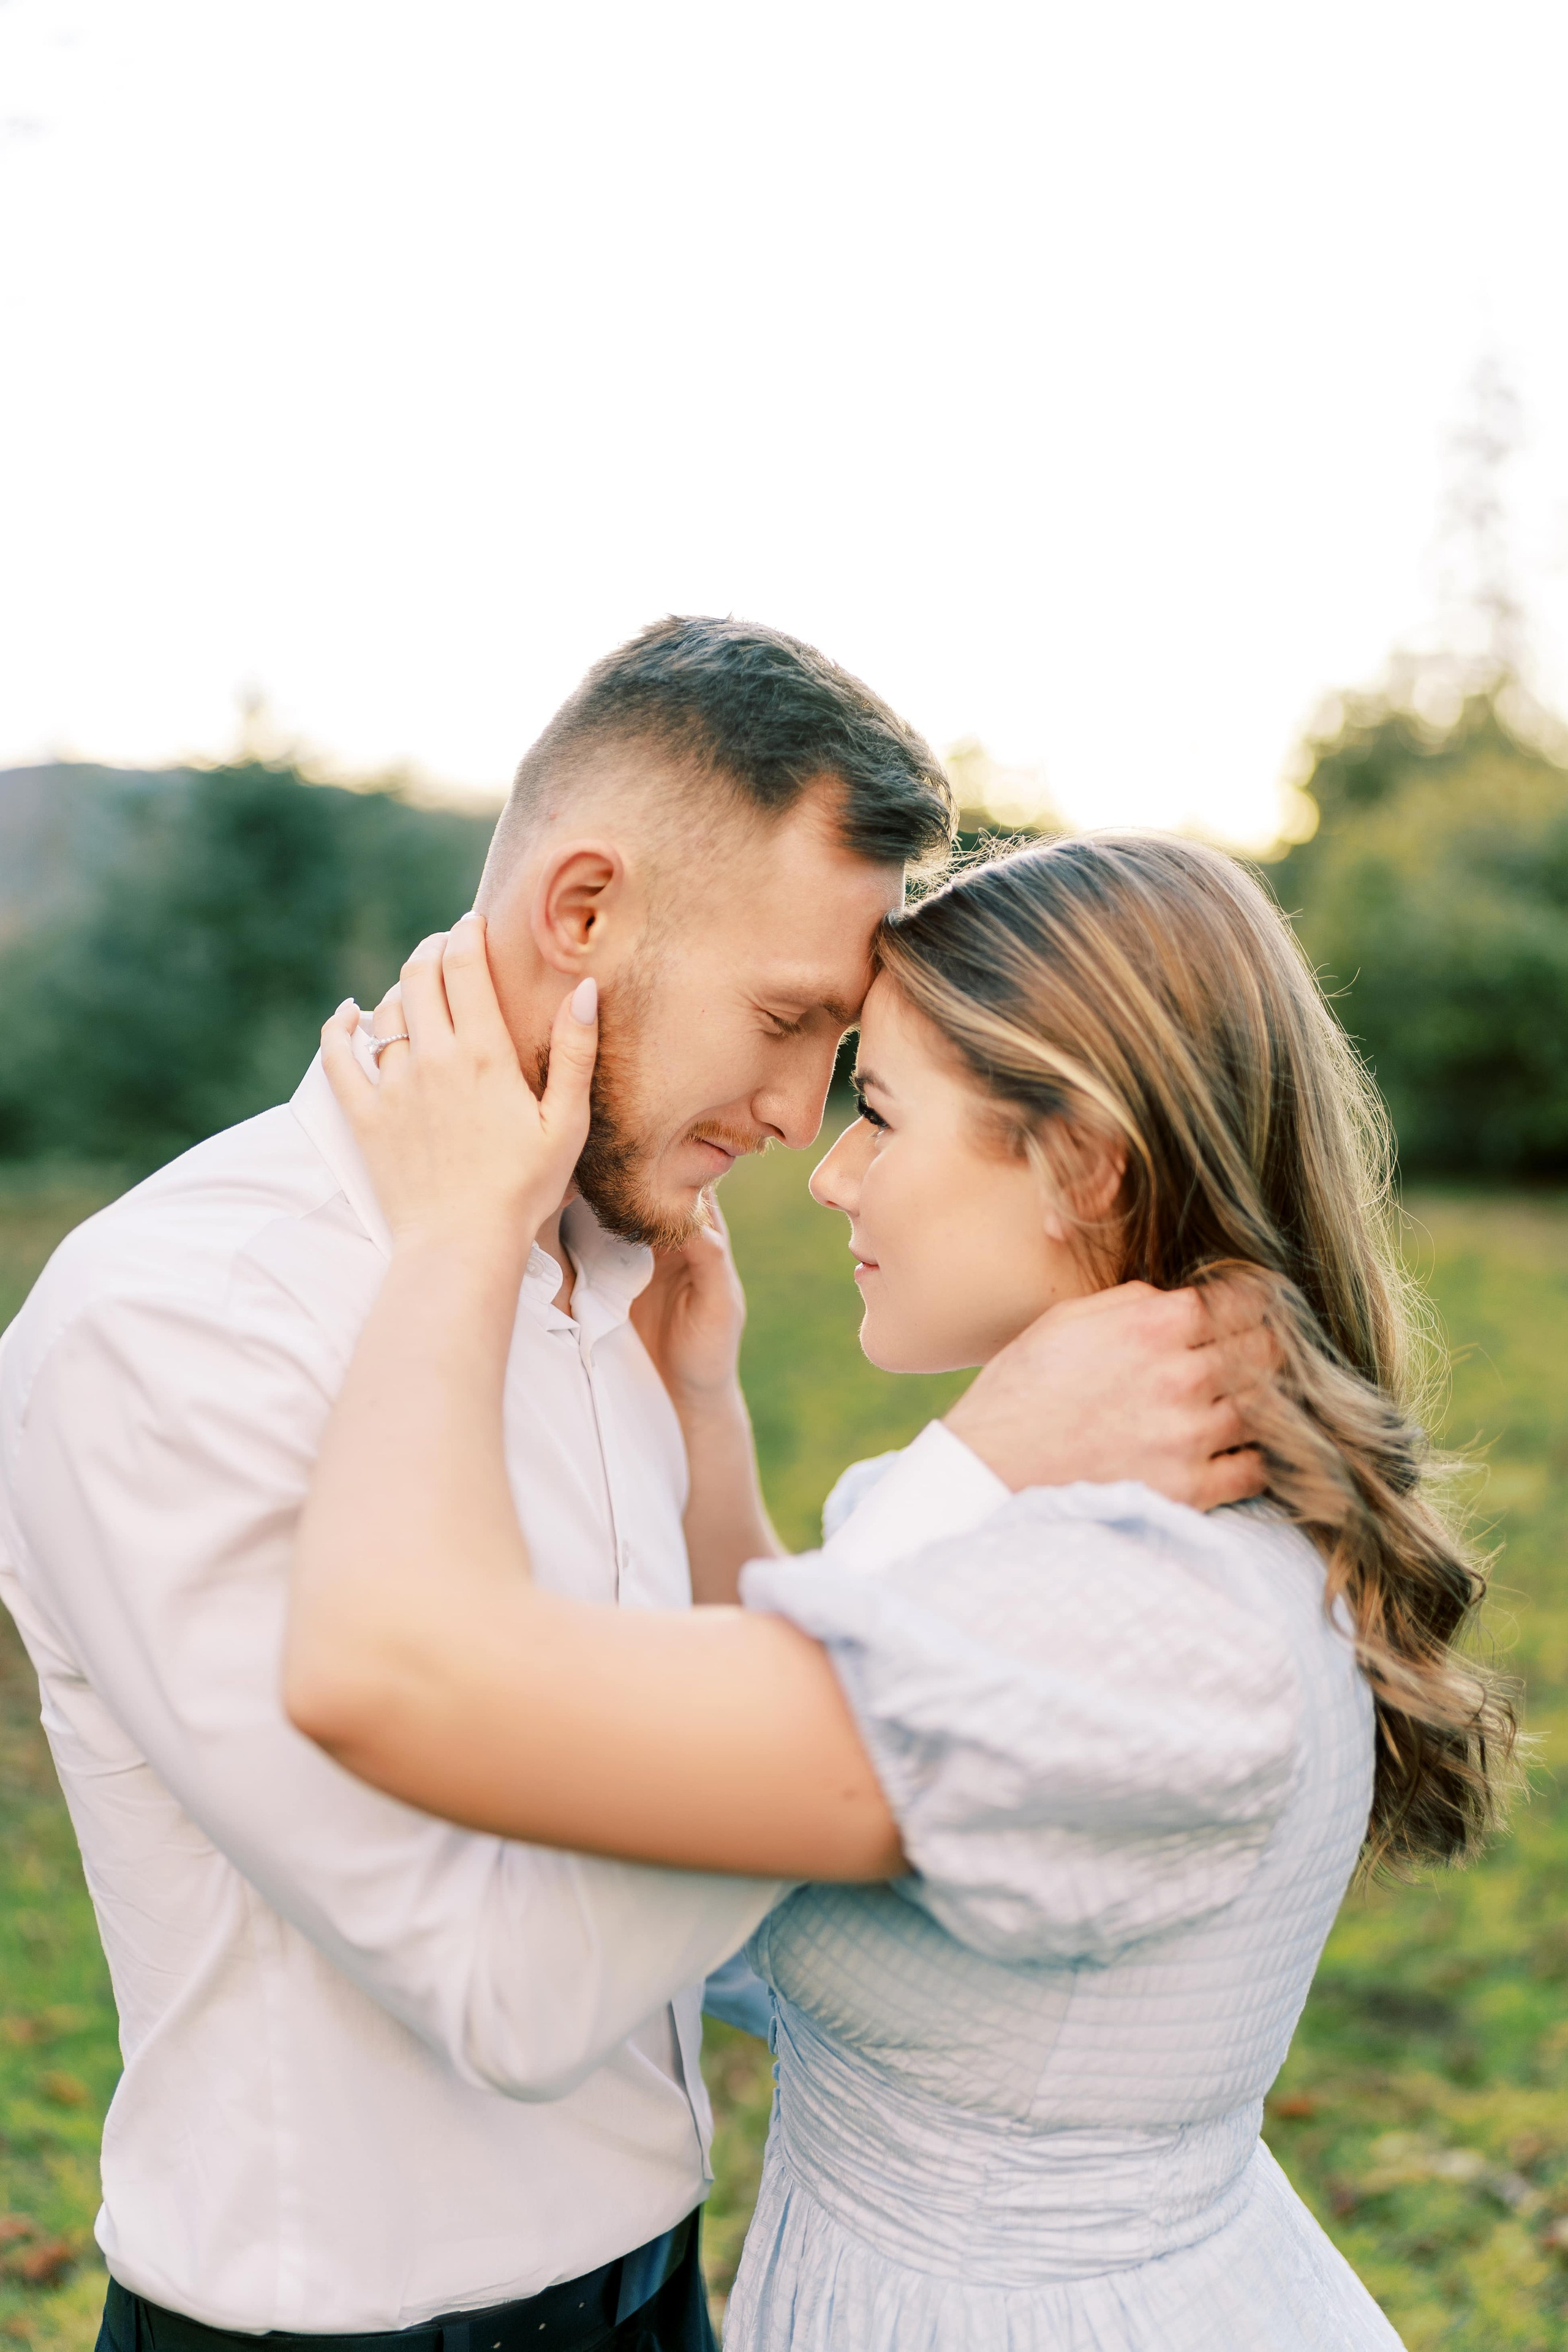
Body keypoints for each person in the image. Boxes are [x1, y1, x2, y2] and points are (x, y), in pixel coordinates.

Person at [0, 620, 1267, 2352]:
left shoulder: (623, 1270)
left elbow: (680, 1774)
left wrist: (710, 1427)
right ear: (582, 914)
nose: (798, 1114)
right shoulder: (180, 1324)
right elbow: (502, 1980)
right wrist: (960, 1501)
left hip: (665, 2293)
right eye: (787, 1019)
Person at [285, 829, 1517, 2351]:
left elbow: (388, 1675)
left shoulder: (1143, 1622)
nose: (832, 1173)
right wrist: (708, 1419)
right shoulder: (1089, 1521)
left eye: (876, 1109)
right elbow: (772, 1752)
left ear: (1083, 1165)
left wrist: (452, 1235)